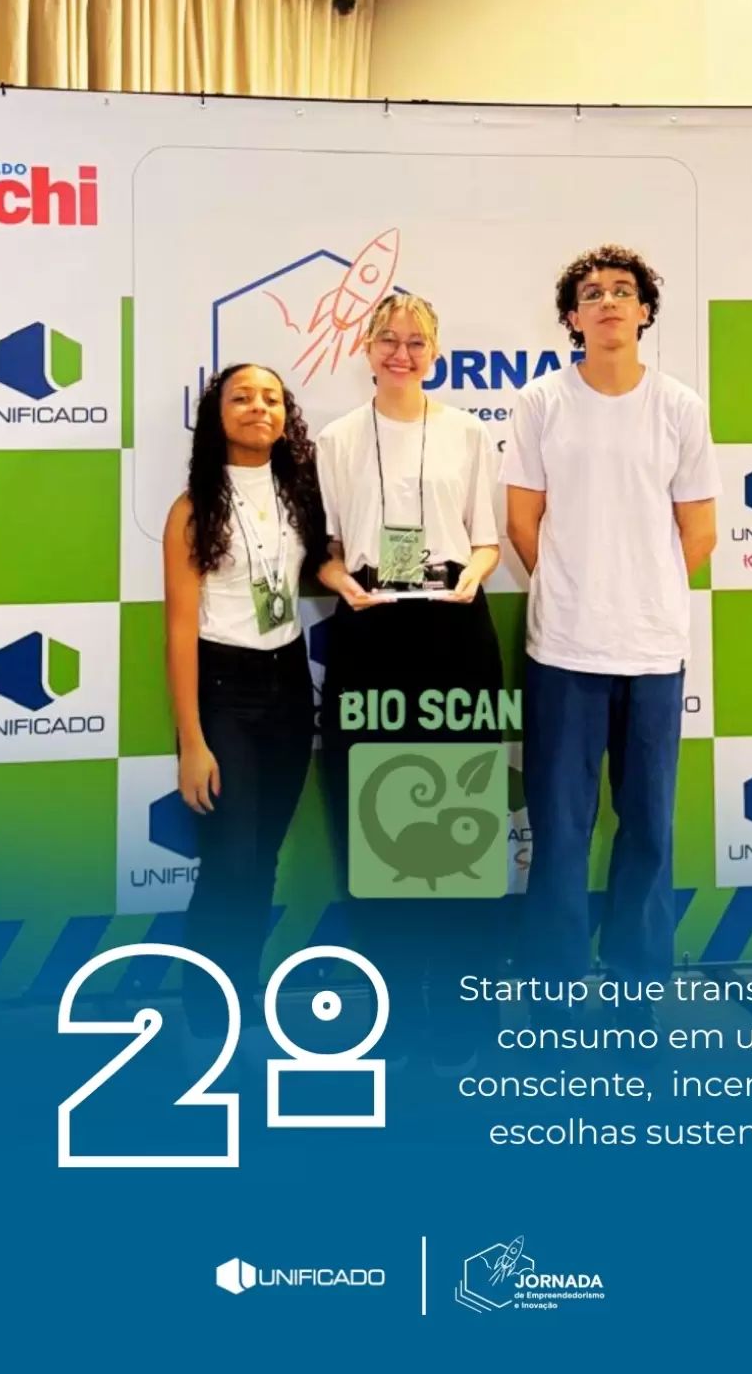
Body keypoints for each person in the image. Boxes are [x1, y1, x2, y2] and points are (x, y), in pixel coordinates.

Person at [503, 245, 720, 1025]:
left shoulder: (680, 406)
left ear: (645, 311)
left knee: (649, 828)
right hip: (563, 649)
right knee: (560, 831)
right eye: (591, 293)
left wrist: (640, 589)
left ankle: (637, 983)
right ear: (572, 316)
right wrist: (578, 589)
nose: (608, 303)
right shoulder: (541, 402)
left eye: (623, 292)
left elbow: (700, 530)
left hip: (653, 653)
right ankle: (553, 987)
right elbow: (522, 521)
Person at [315, 293, 503, 1070]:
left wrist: (473, 576)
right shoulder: (336, 438)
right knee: (376, 818)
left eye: (417, 340)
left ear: (436, 351)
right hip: (371, 630)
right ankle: (390, 997)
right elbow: (327, 548)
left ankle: (458, 1000)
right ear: (365, 347)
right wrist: (342, 583)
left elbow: (486, 539)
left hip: (454, 630)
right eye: (389, 338)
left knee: (460, 816)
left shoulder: (469, 431)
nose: (402, 351)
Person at [163, 363, 326, 1040]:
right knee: (228, 860)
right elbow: (179, 628)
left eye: (271, 398)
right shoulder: (193, 508)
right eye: (241, 398)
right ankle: (207, 1011)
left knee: (262, 860)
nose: (259, 407)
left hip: (289, 685)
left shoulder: (301, 494)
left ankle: (241, 991)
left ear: (286, 416)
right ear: (217, 415)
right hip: (223, 691)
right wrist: (192, 741)